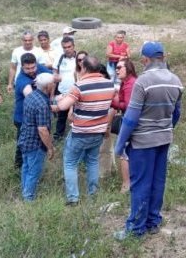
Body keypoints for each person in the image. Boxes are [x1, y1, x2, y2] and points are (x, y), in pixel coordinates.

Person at [113, 41, 183, 240]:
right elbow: (176, 114)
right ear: (163, 57)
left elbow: (131, 117)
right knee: (157, 181)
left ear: (144, 59)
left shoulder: (142, 82)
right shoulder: (175, 80)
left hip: (143, 142)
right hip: (164, 139)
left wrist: (120, 145)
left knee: (140, 183)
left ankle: (135, 228)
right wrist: (165, 129)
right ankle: (153, 221)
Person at [55, 56, 115, 205]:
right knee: (93, 162)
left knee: (70, 163)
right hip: (99, 131)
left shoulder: (80, 86)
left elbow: (63, 106)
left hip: (81, 132)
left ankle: (73, 198)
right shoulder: (109, 84)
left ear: (84, 68)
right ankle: (92, 194)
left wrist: (59, 99)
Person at [18, 73, 55, 201]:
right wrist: (50, 147)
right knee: (34, 172)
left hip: (25, 138)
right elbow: (42, 130)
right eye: (53, 83)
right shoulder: (42, 104)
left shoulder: (31, 96)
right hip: (35, 143)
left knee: (26, 168)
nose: (54, 85)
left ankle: (24, 192)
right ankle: (28, 198)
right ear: (49, 86)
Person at [13, 53, 53, 169]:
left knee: (37, 143)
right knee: (23, 146)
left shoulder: (38, 68)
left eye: (33, 67)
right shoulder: (22, 80)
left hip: (35, 117)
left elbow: (55, 77)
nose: (31, 70)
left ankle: (33, 167)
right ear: (22, 67)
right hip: (23, 119)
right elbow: (32, 97)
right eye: (27, 68)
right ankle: (19, 168)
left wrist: (51, 95)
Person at [109, 58, 137, 193]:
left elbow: (127, 105)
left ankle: (126, 185)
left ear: (128, 68)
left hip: (130, 121)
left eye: (120, 67)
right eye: (116, 67)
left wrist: (112, 102)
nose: (117, 70)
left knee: (124, 153)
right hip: (129, 120)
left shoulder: (130, 84)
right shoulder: (126, 82)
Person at [52, 36, 77, 141]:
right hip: (62, 91)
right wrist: (52, 94)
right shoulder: (59, 58)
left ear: (73, 46)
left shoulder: (80, 58)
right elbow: (55, 75)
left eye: (69, 46)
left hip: (76, 93)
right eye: (64, 47)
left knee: (75, 116)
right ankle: (58, 137)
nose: (67, 49)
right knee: (61, 116)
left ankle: (75, 137)